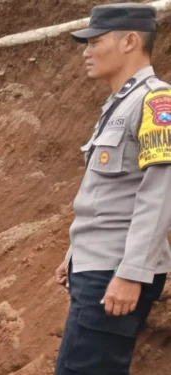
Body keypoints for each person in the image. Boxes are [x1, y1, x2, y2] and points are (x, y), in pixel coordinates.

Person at [54, 4, 171, 374]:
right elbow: (109, 195)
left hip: (115, 271)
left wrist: (132, 272)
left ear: (130, 41)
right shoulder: (118, 105)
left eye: (95, 41)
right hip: (99, 266)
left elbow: (161, 192)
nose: (86, 52)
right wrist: (75, 255)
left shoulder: (156, 101)